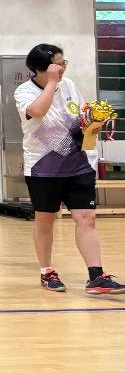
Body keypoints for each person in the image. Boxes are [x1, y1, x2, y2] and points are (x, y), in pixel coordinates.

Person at [14, 43, 125, 295]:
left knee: (87, 218)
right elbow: (37, 111)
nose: (63, 68)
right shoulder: (24, 91)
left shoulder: (70, 85)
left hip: (79, 162)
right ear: (40, 69)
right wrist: (52, 83)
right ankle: (47, 272)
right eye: (57, 64)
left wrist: (92, 122)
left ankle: (96, 277)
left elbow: (80, 116)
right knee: (45, 218)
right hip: (44, 166)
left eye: (64, 63)